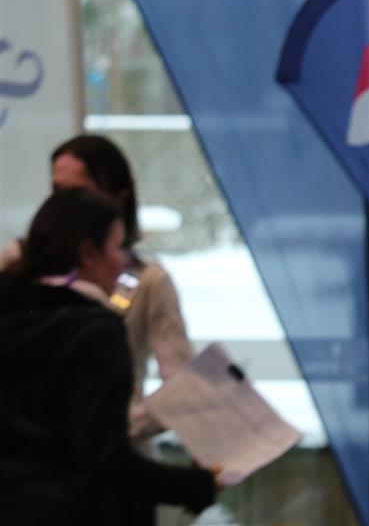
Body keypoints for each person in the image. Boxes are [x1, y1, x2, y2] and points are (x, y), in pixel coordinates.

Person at [0, 188, 218, 524]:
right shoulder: (96, 331)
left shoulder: (13, 311)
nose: (123, 263)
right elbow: (103, 456)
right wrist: (192, 486)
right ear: (88, 253)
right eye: (117, 247)